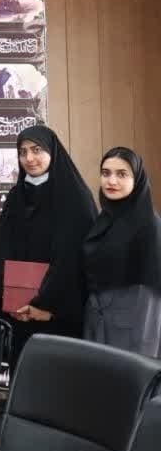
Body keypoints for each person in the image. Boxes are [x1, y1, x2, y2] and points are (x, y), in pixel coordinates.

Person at [0, 126, 96, 358]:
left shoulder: (75, 198)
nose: (29, 158)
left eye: (36, 150)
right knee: (21, 372)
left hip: (56, 315)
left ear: (52, 152)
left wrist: (44, 305)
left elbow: (71, 260)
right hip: (17, 312)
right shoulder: (16, 196)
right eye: (23, 152)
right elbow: (1, 250)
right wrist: (9, 300)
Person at [80, 147, 161, 358]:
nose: (112, 181)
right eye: (106, 173)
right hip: (97, 326)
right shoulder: (104, 221)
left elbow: (151, 302)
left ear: (137, 180)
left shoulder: (149, 226)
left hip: (132, 333)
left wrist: (142, 359)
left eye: (122, 174)